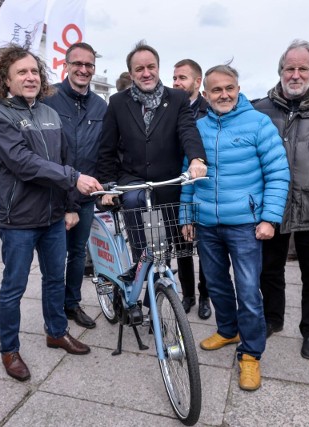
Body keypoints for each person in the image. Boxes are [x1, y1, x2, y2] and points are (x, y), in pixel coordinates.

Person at [0, 45, 103, 382]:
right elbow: (22, 163)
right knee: (13, 287)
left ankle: (56, 331)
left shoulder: (49, 112)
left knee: (54, 280)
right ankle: (9, 349)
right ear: (6, 78)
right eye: (22, 72)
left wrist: (68, 206)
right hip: (19, 219)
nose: (31, 77)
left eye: (34, 71)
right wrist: (75, 179)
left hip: (52, 218)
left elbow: (63, 160)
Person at [181, 64, 289, 391]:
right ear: (205, 94)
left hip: (245, 224)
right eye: (217, 90)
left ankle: (251, 354)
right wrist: (187, 215)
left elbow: (278, 173)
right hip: (207, 223)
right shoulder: (197, 127)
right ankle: (228, 330)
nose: (224, 94)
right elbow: (188, 174)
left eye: (229, 88)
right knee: (216, 284)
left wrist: (270, 218)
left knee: (248, 291)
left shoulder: (258, 123)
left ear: (238, 88)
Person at [253, 39, 309, 360]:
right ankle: (272, 319)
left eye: (302, 68)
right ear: (280, 71)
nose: (295, 74)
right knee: (269, 270)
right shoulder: (260, 109)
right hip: (273, 208)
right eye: (289, 68)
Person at [96, 40, 207, 266]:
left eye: (151, 67)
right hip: (134, 179)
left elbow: (187, 130)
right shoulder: (118, 102)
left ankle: (168, 288)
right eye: (139, 69)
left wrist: (197, 158)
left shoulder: (176, 99)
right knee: (135, 203)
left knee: (174, 246)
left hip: (168, 181)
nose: (146, 73)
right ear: (131, 73)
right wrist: (108, 187)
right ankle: (141, 264)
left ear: (158, 67)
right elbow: (106, 148)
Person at [42, 42, 107, 329]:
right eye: (77, 64)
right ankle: (53, 312)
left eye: (89, 65)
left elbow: (106, 149)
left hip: (85, 196)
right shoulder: (49, 100)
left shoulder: (100, 106)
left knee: (79, 254)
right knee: (54, 259)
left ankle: (72, 304)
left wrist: (105, 187)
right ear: (66, 66)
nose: (83, 69)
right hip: (54, 194)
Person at [172, 58, 211, 319]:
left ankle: (206, 295)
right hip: (177, 184)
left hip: (203, 187)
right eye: (174, 78)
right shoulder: (171, 107)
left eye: (182, 78)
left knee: (206, 248)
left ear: (197, 82)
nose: (176, 83)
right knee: (182, 246)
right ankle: (188, 294)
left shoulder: (211, 110)